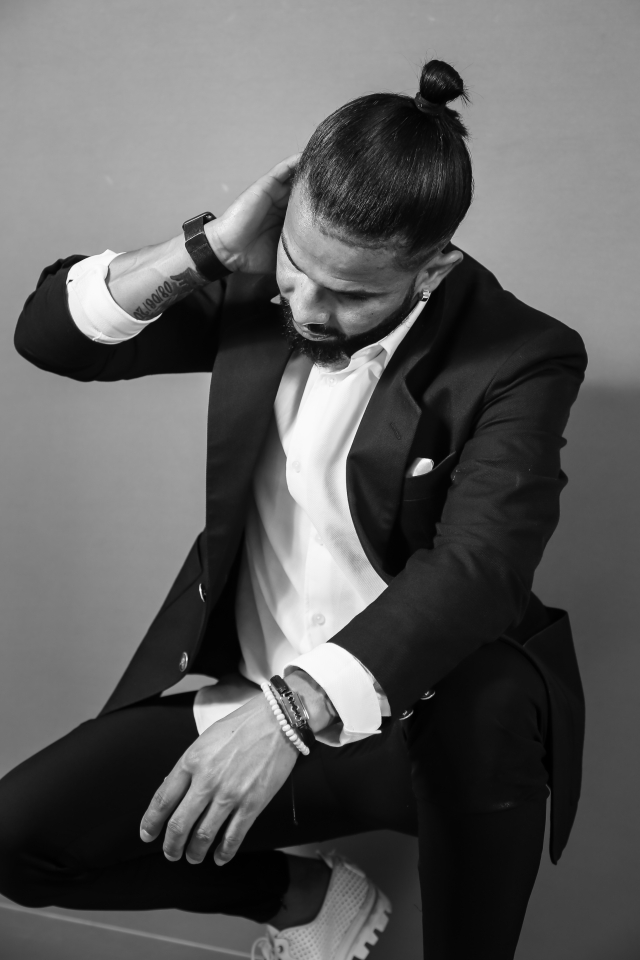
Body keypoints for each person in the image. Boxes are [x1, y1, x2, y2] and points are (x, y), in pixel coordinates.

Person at [0, 58, 587, 960]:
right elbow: (50, 338)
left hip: (420, 724)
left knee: (494, 698)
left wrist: (290, 712)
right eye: (298, 267)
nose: (306, 309)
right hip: (249, 697)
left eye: (352, 294)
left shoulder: (520, 355)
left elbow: (480, 568)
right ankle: (304, 897)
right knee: (17, 841)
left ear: (434, 267)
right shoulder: (264, 280)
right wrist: (209, 249)